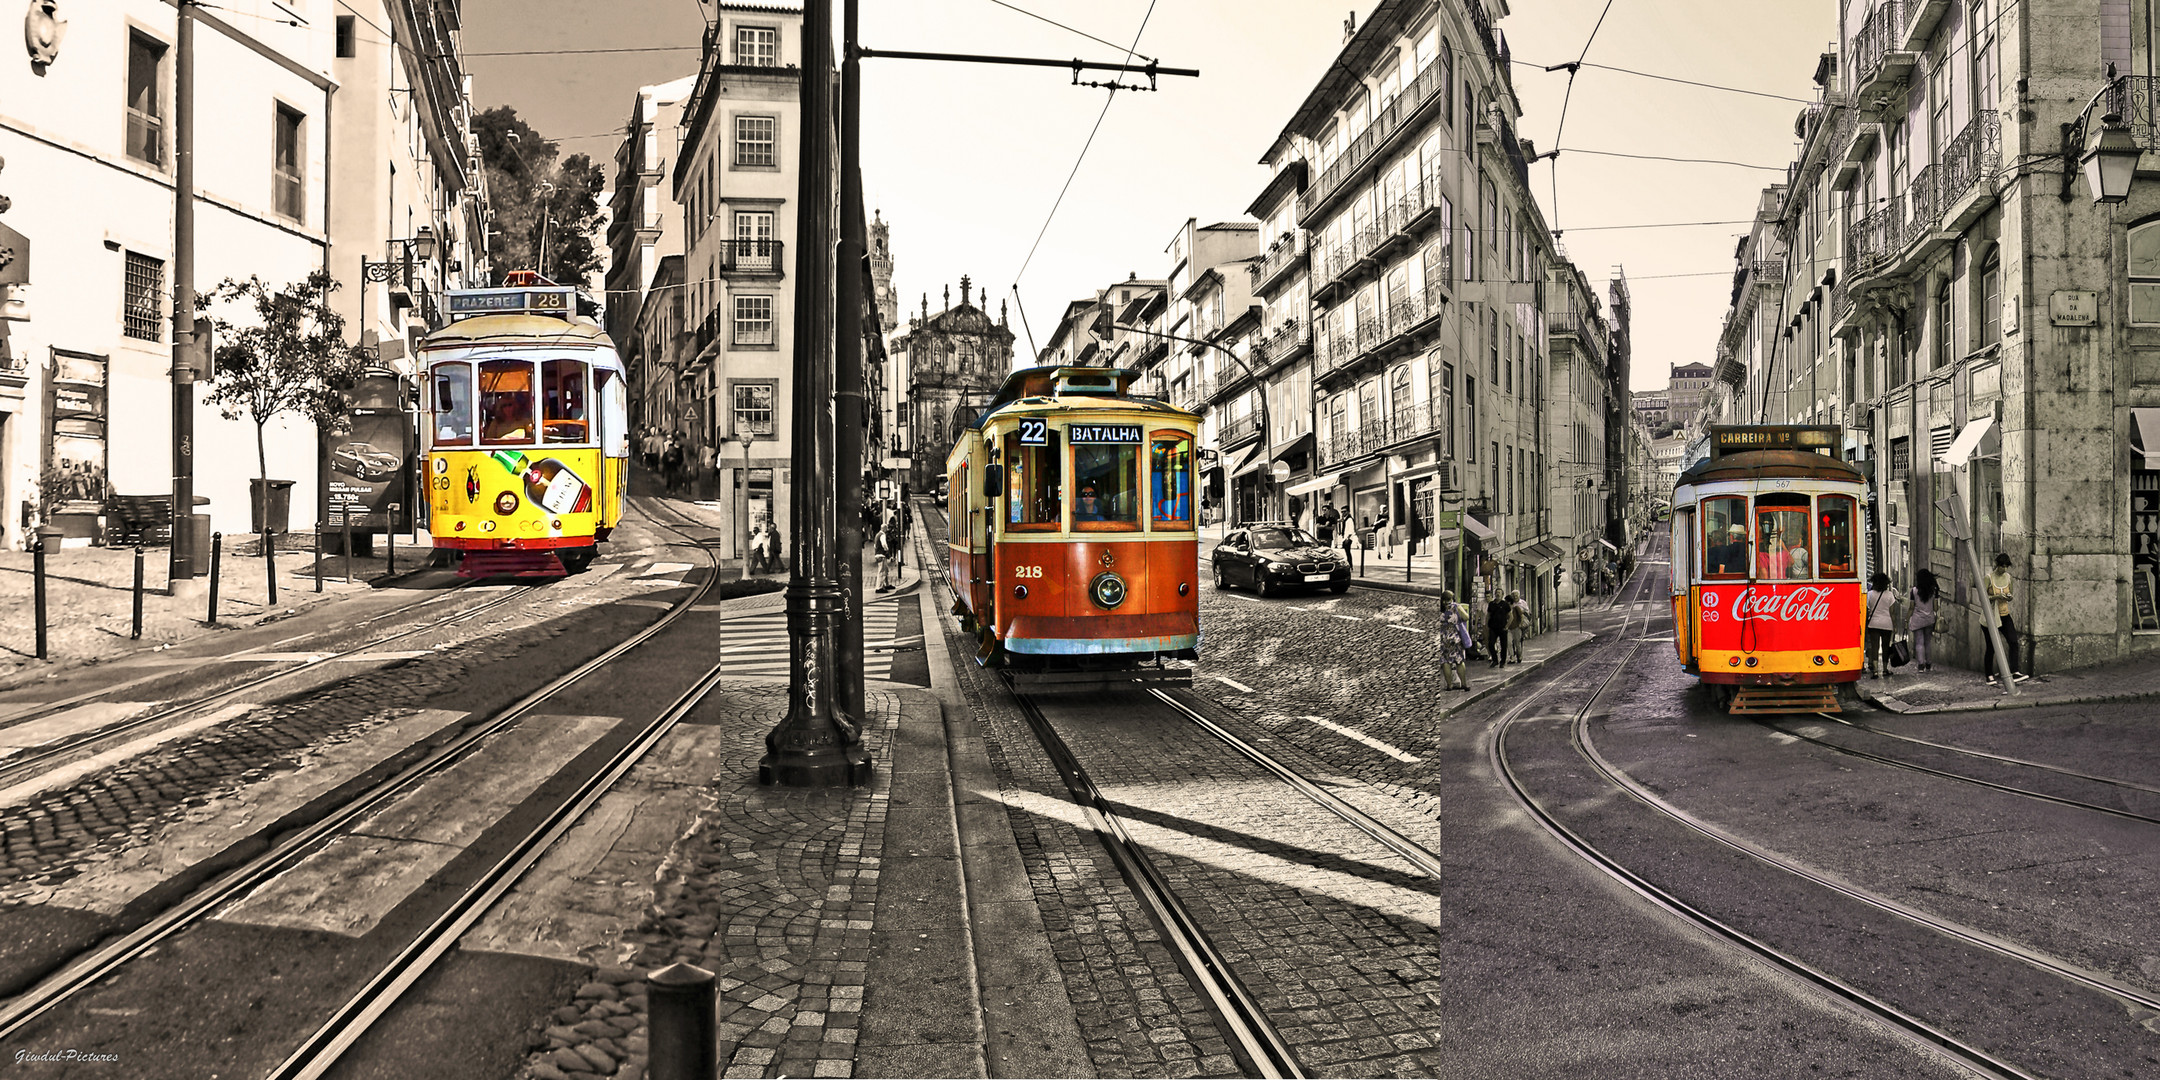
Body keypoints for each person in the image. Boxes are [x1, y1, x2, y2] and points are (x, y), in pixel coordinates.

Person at [1982, 552, 2030, 683]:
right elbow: (1983, 597)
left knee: (2013, 641)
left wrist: (2009, 597)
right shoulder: (1988, 578)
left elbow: (2011, 594)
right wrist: (1996, 597)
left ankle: (2014, 671)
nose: (2004, 569)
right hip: (1991, 617)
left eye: (2006, 567)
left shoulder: (2008, 577)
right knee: (1991, 646)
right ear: (1997, 565)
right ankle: (1989, 675)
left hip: (2004, 614)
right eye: (2002, 566)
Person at [1864, 571, 1900, 678]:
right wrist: (1895, 625)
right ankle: (1885, 669)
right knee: (1885, 647)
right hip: (1887, 624)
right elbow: (1892, 613)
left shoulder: (1869, 594)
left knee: (1874, 647)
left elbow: (1866, 609)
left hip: (1873, 623)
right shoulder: (1889, 595)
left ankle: (1875, 670)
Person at [1435, 591, 1471, 691]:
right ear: (1452, 599)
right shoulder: (1456, 607)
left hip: (1443, 638)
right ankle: (1463, 683)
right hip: (1455, 637)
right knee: (1459, 661)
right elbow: (1466, 617)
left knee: (1445, 661)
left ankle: (1449, 685)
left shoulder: (1440, 608)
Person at [1908, 567, 1939, 672]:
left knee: (1919, 643)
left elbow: (1911, 607)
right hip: (1929, 619)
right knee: (1928, 642)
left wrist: (1907, 619)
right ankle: (1929, 664)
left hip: (1917, 619)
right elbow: (1936, 608)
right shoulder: (1933, 591)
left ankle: (1921, 665)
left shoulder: (1914, 591)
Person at [1486, 592, 1513, 667]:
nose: (1498, 594)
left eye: (1499, 593)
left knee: (1503, 645)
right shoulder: (1491, 604)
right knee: (1491, 644)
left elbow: (1511, 616)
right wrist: (1486, 625)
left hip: (1502, 628)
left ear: (1502, 595)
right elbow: (1488, 615)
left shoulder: (1505, 604)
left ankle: (1502, 661)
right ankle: (1495, 660)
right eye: (1497, 593)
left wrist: (1507, 626)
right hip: (1493, 627)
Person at [1508, 590, 1530, 663]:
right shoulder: (1511, 603)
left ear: (1519, 595)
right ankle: (1512, 656)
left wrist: (1521, 612)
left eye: (1516, 595)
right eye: (1513, 595)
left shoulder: (1523, 603)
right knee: (1511, 642)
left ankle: (1519, 655)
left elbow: (1527, 612)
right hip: (1511, 626)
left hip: (1520, 625)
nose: (1515, 597)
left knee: (1519, 641)